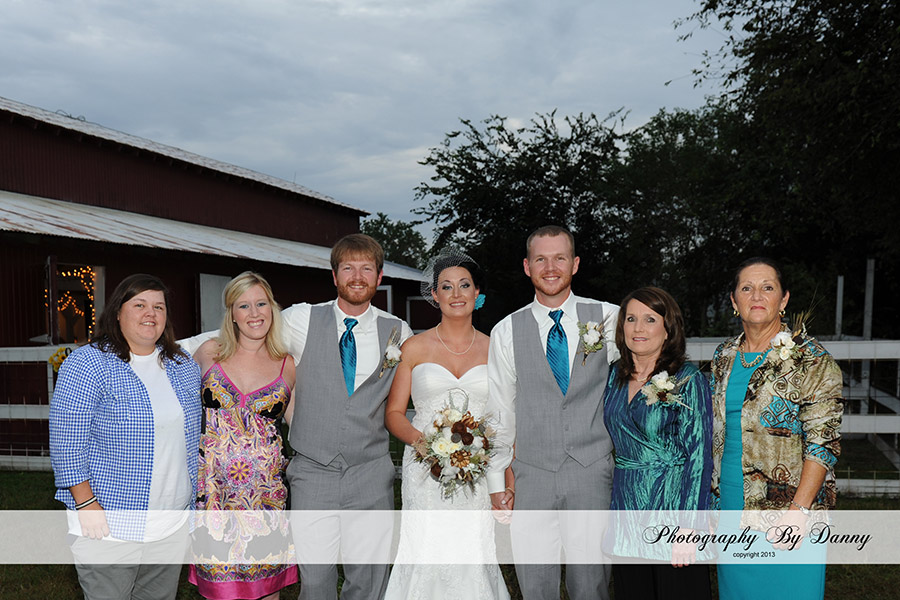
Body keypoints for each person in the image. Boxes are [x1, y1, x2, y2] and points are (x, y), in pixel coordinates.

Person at [180, 233, 413, 600]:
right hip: (313, 472)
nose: (357, 276)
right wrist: (149, 348)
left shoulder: (399, 332)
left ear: (379, 276)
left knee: (369, 580)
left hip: (370, 472)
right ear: (334, 276)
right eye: (347, 268)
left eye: (366, 268)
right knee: (315, 581)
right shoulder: (301, 318)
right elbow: (248, 325)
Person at [49, 274, 201, 600]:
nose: (151, 313)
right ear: (118, 312)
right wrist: (86, 504)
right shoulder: (88, 363)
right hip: (109, 524)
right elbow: (66, 441)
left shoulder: (182, 364)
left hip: (171, 524)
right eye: (140, 305)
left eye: (159, 307)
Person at [487, 225, 619, 600]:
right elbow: (500, 412)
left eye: (559, 258)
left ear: (574, 264)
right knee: (534, 584)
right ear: (527, 266)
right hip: (531, 475)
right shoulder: (505, 331)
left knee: (591, 584)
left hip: (592, 471)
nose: (550, 268)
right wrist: (497, 482)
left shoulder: (610, 318)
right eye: (541, 259)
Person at [383, 250, 511, 600]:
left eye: (464, 285)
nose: (456, 293)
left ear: (477, 293)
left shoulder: (497, 350)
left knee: (473, 550)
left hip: (477, 472)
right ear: (435, 295)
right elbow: (394, 413)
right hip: (424, 471)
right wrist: (425, 445)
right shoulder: (413, 347)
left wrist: (505, 481)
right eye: (447, 286)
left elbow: (505, 421)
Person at [712, 257, 843, 600]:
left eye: (767, 287)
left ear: (783, 299)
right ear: (734, 301)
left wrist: (798, 512)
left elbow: (823, 441)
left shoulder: (812, 358)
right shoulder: (723, 355)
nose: (757, 295)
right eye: (746, 288)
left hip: (789, 511)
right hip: (730, 506)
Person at [189, 272, 298, 599]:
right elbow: (179, 408)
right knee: (220, 590)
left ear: (272, 309)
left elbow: (301, 428)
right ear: (232, 314)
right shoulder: (209, 352)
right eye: (244, 305)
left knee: (267, 589)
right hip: (214, 496)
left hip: (265, 499)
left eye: (261, 304)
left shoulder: (287, 364)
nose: (254, 313)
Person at [602, 286, 713, 600]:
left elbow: (699, 457)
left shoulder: (688, 379)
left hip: (672, 509)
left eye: (650, 319)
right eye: (631, 319)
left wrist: (689, 526)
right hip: (626, 511)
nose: (638, 328)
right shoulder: (613, 376)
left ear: (668, 330)